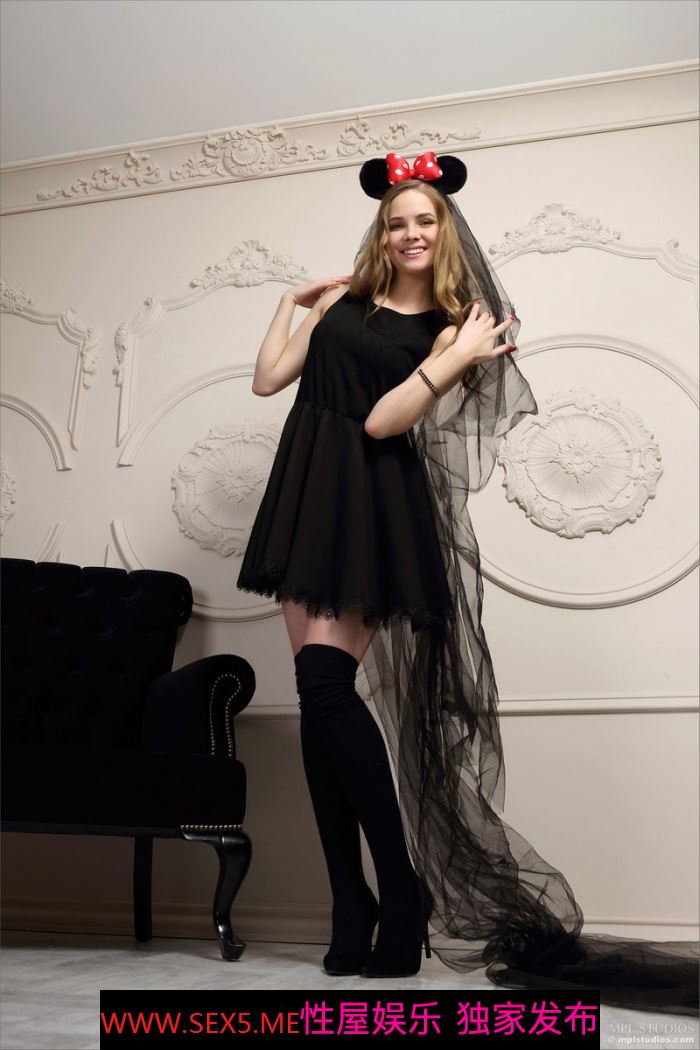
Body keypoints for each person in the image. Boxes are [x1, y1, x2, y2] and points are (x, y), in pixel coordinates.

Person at [237, 152, 699, 1013]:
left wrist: (453, 359)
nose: (410, 233)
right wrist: (288, 305)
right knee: (317, 701)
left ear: (445, 229)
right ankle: (351, 904)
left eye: (425, 220)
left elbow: (384, 422)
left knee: (327, 690)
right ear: (382, 232)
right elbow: (269, 380)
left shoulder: (459, 326)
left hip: (371, 505)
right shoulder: (342, 302)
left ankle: (402, 891)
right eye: (397, 222)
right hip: (305, 493)